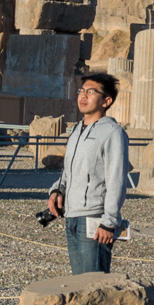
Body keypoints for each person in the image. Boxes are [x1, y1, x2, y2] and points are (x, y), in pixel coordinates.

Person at [45, 71, 129, 274]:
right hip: (72, 216)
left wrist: (109, 223)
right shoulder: (76, 130)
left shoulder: (113, 133)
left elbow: (116, 179)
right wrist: (57, 190)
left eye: (91, 92)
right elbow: (68, 169)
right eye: (81, 91)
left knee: (94, 285)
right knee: (78, 283)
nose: (83, 96)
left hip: (94, 218)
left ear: (106, 101)